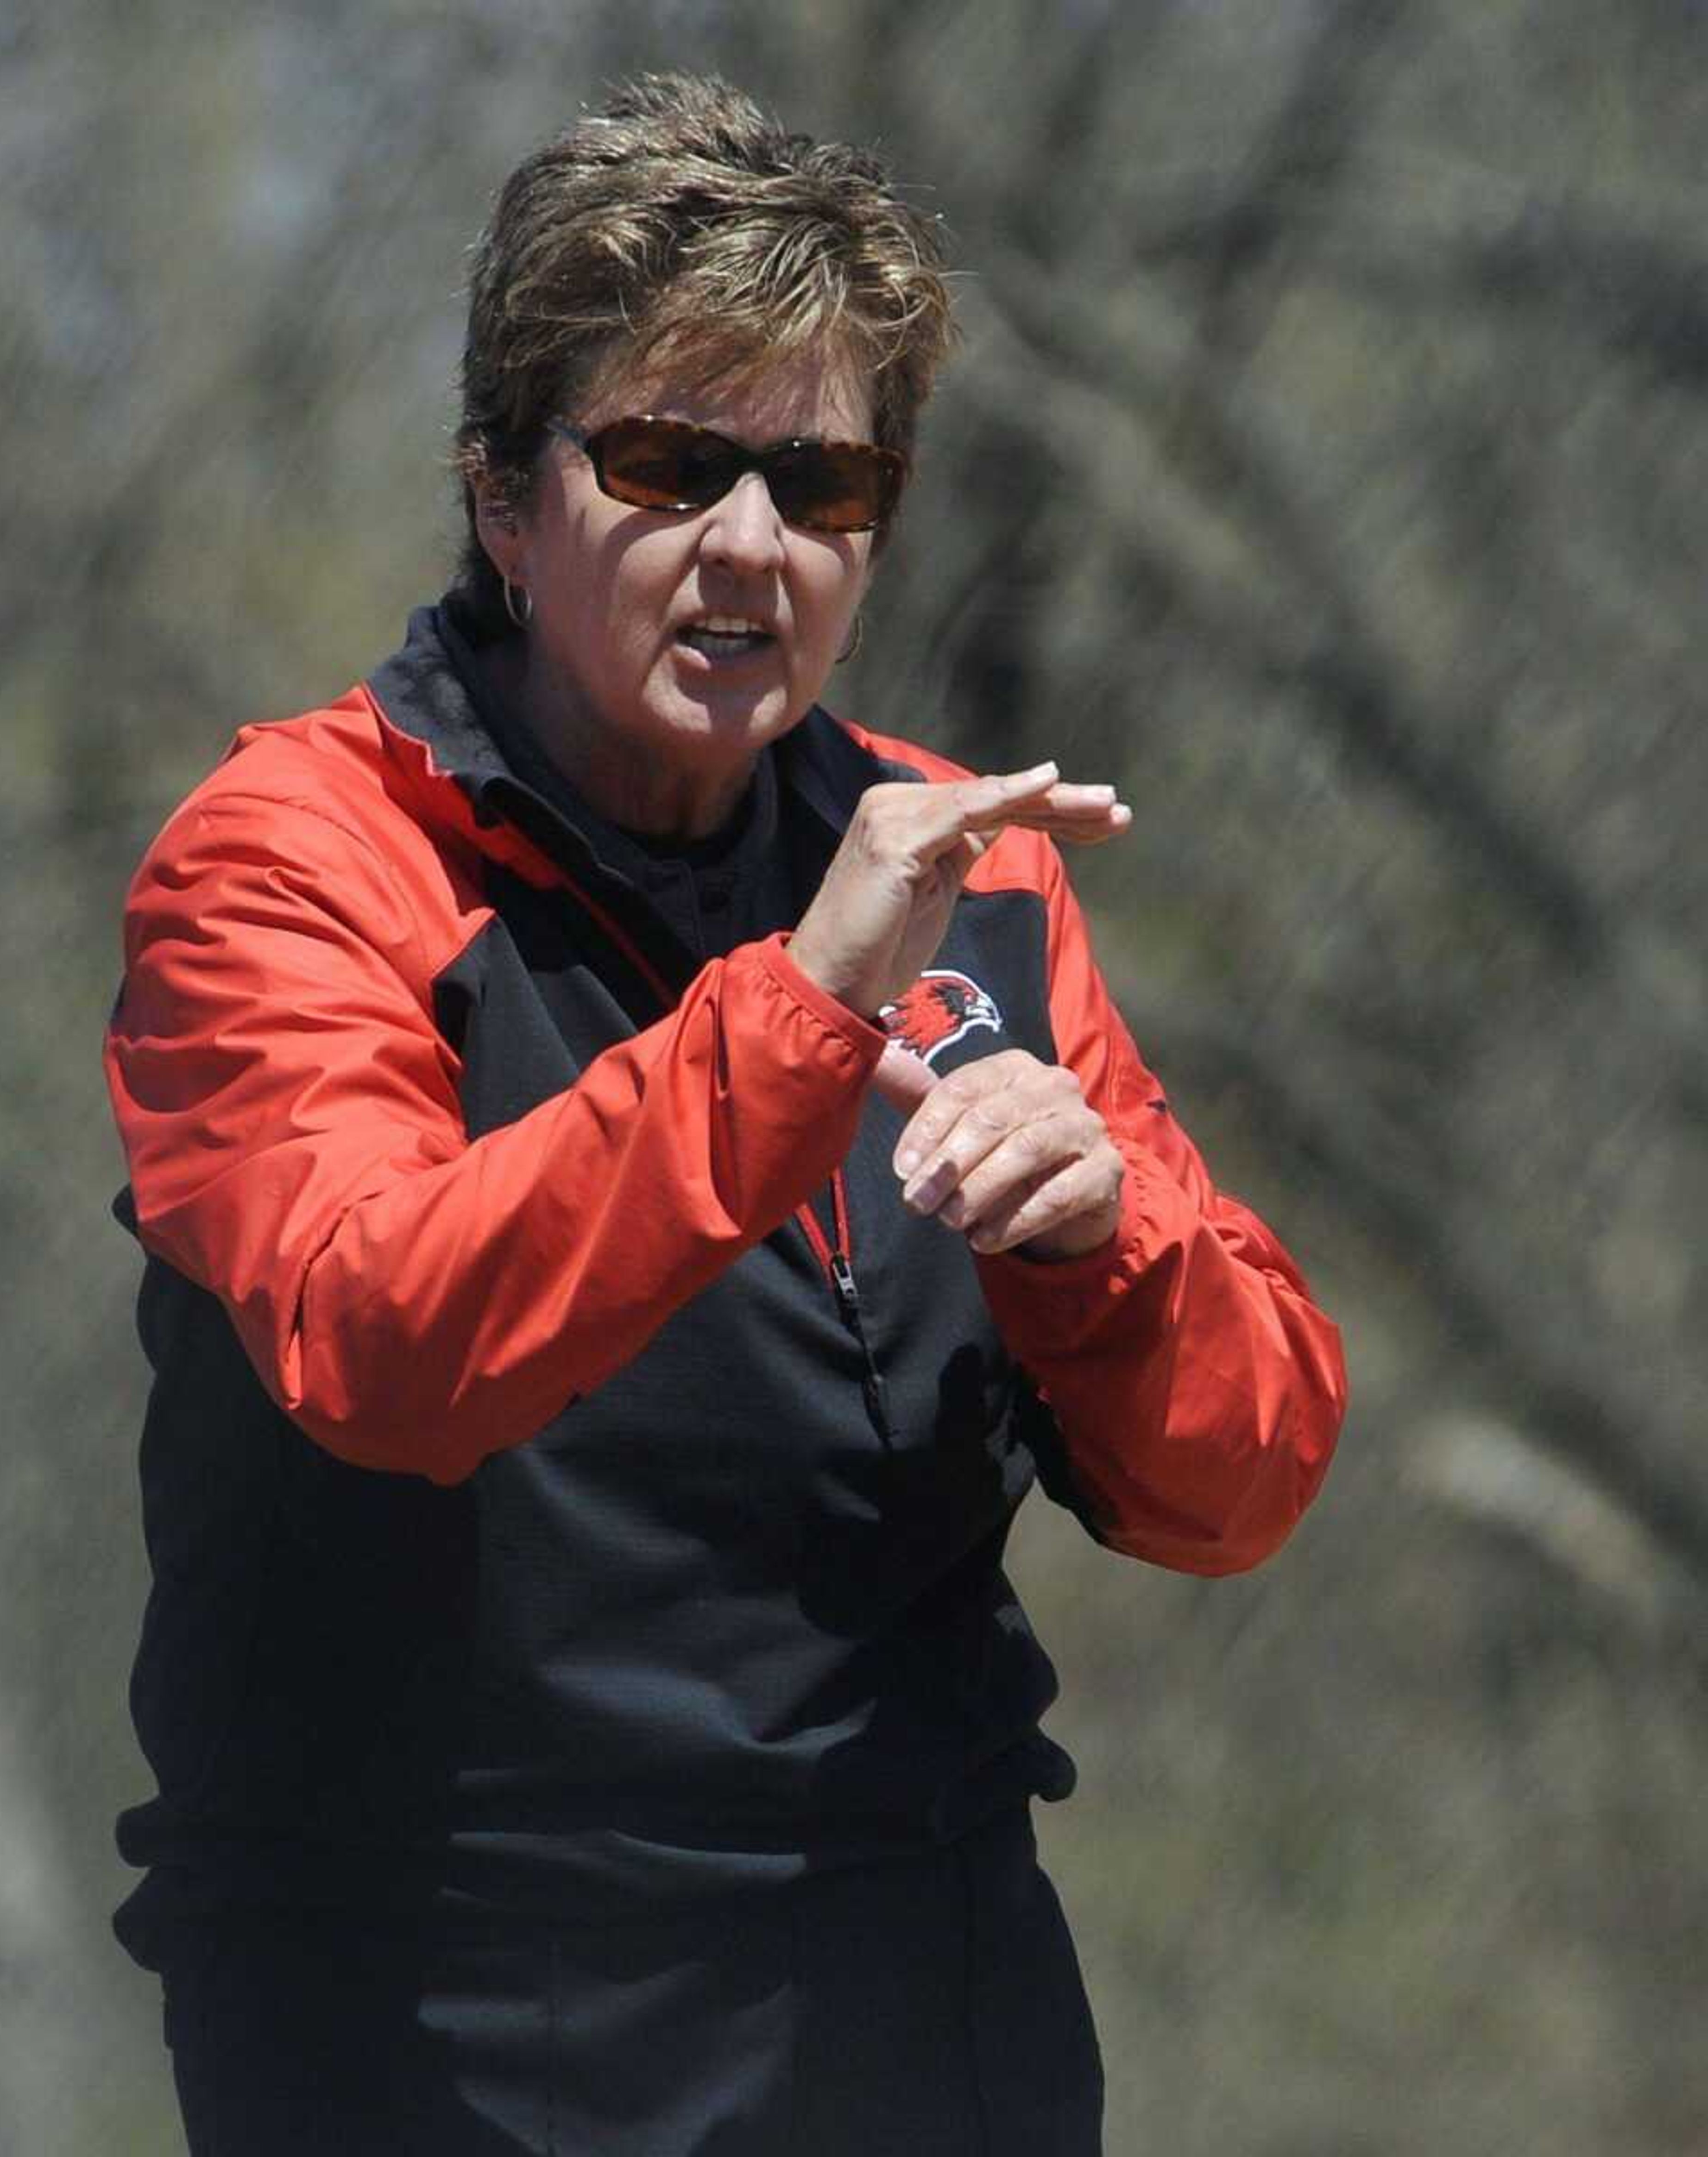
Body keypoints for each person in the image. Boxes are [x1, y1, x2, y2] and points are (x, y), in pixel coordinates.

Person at [104, 71, 1346, 2157]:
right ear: (505, 498)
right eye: (673, 468)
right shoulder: (291, 859)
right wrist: (799, 1008)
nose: (751, 551)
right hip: (442, 2029)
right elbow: (379, 1334)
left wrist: (1102, 1243)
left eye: (825, 488)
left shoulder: (973, 876)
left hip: (924, 2011)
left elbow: (1242, 1479)